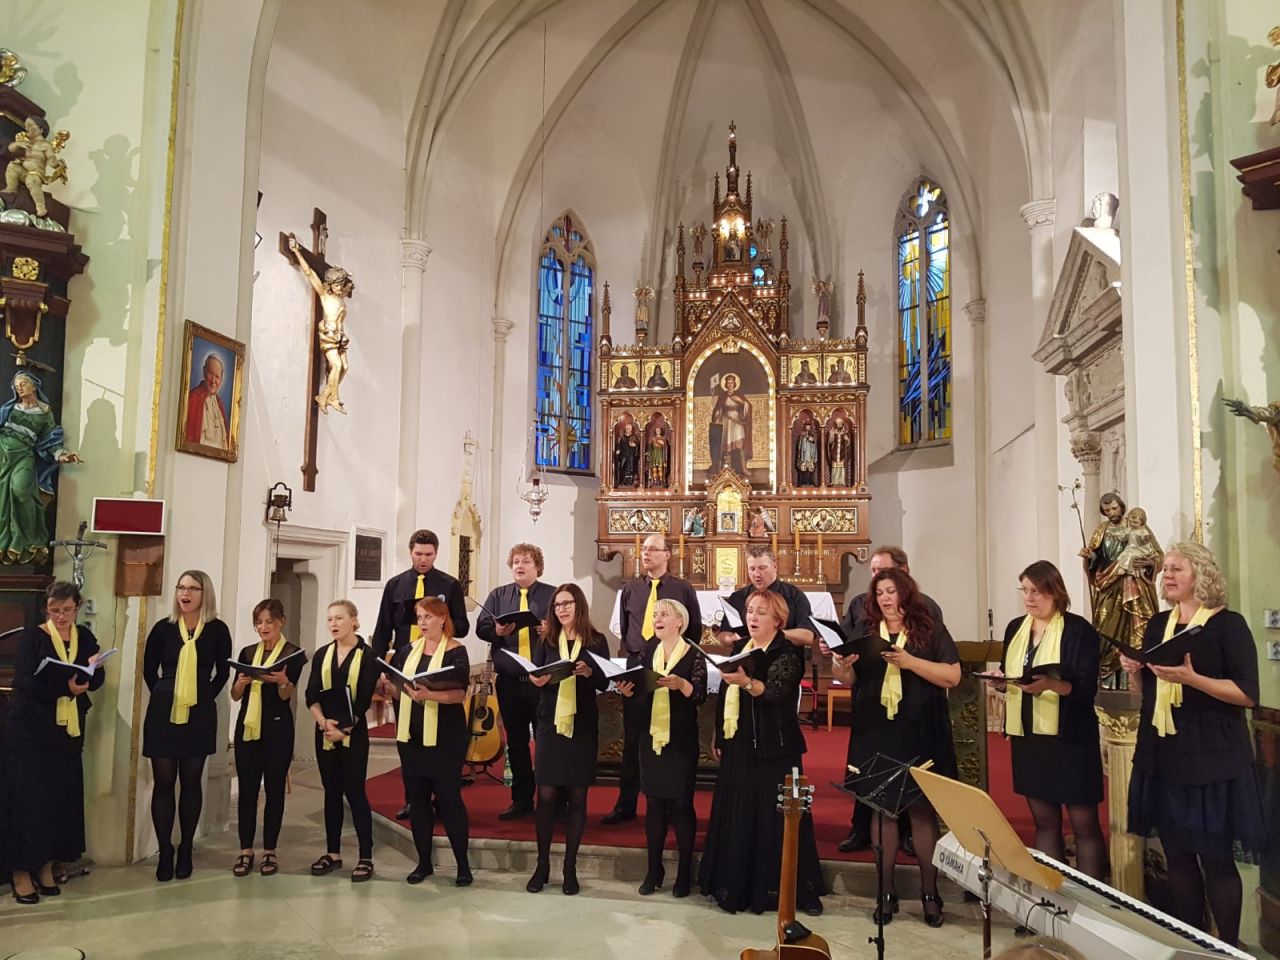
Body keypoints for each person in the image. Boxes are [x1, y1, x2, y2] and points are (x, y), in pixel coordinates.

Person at [1121, 542, 1264, 949]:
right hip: (1165, 755)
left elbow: (1247, 694)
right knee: (1178, 856)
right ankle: (1192, 945)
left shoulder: (1228, 625)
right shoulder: (1157, 625)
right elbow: (1147, 694)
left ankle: (1228, 948)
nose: (1166, 575)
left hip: (1213, 758)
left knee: (1216, 859)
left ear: (1201, 574)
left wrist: (1193, 679)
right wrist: (1135, 671)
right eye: (1165, 568)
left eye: (1176, 568)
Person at [832, 567, 959, 928]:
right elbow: (847, 678)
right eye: (879, 593)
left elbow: (952, 675)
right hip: (876, 728)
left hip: (919, 728)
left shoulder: (928, 628)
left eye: (891, 591)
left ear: (905, 593)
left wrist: (910, 662)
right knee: (883, 809)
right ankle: (885, 892)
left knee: (920, 810)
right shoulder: (866, 630)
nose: (885, 598)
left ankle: (930, 892)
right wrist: (841, 665)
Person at [698, 589, 825, 916]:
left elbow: (775, 693)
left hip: (775, 747)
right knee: (740, 813)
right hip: (738, 742)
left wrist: (746, 683)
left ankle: (787, 889)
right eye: (750, 611)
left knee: (779, 817)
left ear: (778, 620)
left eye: (761, 613)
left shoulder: (788, 652)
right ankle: (736, 885)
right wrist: (718, 733)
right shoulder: (740, 647)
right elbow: (725, 694)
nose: (752, 617)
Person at [992, 561, 1105, 879]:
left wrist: (1053, 685)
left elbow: (1086, 688)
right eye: (1025, 590)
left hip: (1070, 737)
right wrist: (1002, 682)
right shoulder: (1016, 628)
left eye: (1037, 591)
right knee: (1044, 822)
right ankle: (1051, 896)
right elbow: (1014, 675)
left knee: (1084, 823)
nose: (1029, 598)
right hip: (1029, 738)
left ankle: (1091, 899)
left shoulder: (1078, 630)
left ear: (1055, 592)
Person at [834, 544, 944, 852]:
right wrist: (837, 653)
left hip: (913, 707)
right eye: (873, 573)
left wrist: (910, 662)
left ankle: (909, 834)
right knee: (871, 778)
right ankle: (861, 829)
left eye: (883, 573)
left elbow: (942, 661)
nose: (879, 585)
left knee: (910, 783)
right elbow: (846, 643)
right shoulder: (861, 606)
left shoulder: (926, 608)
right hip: (872, 704)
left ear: (903, 572)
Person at [0, 582, 105, 903]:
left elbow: (96, 680)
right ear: (46, 609)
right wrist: (64, 689)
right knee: (28, 803)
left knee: (58, 802)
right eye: (55, 610)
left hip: (67, 732)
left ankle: (45, 867)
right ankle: (20, 873)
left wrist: (92, 672)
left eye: (67, 610)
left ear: (77, 607)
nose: (61, 616)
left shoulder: (84, 637)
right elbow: (23, 682)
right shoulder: (34, 638)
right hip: (30, 730)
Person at [142, 570, 233, 881]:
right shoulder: (163, 628)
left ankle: (185, 849)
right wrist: (164, 691)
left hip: (199, 711)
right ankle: (165, 850)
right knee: (164, 782)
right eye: (181, 587)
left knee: (191, 782)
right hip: (163, 711)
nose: (185, 593)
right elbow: (148, 669)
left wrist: (203, 693)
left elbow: (223, 671)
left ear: (205, 594)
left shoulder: (217, 629)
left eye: (193, 588)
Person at [604, 532, 700, 825]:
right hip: (638, 665)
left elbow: (694, 630)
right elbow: (625, 629)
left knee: (667, 735)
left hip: (672, 664)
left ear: (667, 554)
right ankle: (626, 803)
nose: (645, 553)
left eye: (652, 549)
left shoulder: (682, 588)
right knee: (633, 737)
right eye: (643, 549)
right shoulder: (631, 589)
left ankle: (668, 803)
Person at [372, 528, 468, 819]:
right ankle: (414, 798)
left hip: (438, 663)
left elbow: (462, 627)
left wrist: (438, 617)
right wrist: (379, 670)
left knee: (438, 733)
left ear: (436, 553)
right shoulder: (396, 584)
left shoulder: (449, 584)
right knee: (409, 733)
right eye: (418, 554)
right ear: (410, 553)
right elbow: (382, 629)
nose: (423, 559)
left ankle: (441, 796)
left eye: (428, 554)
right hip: (406, 662)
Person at [615, 599, 707, 897]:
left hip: (680, 739)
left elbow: (700, 694)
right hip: (651, 737)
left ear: (680, 621)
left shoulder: (693, 653)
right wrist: (628, 691)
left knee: (680, 804)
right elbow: (640, 692)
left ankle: (684, 872)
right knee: (653, 804)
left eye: (664, 614)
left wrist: (682, 685)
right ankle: (654, 869)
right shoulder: (648, 650)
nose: (657, 618)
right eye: (655, 614)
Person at [525, 583, 609, 895]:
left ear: (579, 606)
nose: (561, 609)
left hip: (581, 724)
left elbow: (605, 682)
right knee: (546, 795)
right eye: (557, 605)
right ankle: (542, 864)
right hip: (550, 722)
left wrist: (590, 673)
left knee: (577, 796)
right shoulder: (547, 639)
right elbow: (537, 675)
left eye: (567, 603)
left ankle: (569, 867)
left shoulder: (596, 641)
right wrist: (537, 679)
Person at [391, 597, 473, 886]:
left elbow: (460, 694)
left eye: (428, 617)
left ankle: (463, 866)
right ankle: (424, 863)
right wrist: (392, 684)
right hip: (411, 736)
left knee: (449, 800)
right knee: (417, 800)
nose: (422, 622)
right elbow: (397, 684)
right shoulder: (407, 650)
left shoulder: (456, 652)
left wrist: (429, 695)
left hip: (445, 737)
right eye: (419, 617)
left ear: (442, 618)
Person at [476, 543, 556, 820]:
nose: (519, 566)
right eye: (516, 562)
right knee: (517, 743)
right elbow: (481, 627)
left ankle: (552, 800)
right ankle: (521, 799)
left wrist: (551, 629)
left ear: (538, 567)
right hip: (510, 683)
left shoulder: (552, 595)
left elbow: (569, 626)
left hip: (542, 681)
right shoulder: (498, 595)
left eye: (526, 561)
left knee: (546, 742)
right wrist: (496, 631)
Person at [229, 599, 305, 878]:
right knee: (247, 789)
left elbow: (286, 695)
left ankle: (270, 850)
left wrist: (282, 681)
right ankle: (245, 849)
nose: (263, 627)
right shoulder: (248, 653)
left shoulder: (293, 654)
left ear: (280, 621)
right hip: (248, 728)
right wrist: (240, 683)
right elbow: (235, 695)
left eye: (269, 621)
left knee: (274, 790)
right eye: (259, 622)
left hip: (277, 727)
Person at [305, 600, 380, 883]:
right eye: (330, 619)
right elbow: (311, 694)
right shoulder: (322, 654)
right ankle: (333, 853)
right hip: (325, 732)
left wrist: (344, 731)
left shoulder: (368, 655)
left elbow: (363, 701)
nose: (333, 624)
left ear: (353, 620)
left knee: (355, 792)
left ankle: (365, 856)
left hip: (353, 734)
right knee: (331, 792)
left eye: (339, 618)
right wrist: (323, 722)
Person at [0, 371, 82, 564]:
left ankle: (29, 542)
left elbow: (50, 440)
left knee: (21, 491)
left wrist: (62, 455)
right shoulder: (9, 408)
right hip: (2, 454)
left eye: (23, 383)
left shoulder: (45, 413)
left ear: (34, 385)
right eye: (16, 386)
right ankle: (5, 544)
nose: (19, 387)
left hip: (24, 456)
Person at [1080, 492, 1158, 674]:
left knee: (1137, 626)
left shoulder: (1135, 524)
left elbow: (1156, 554)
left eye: (1114, 508)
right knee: (1105, 627)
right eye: (1107, 510)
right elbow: (1097, 557)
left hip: (1135, 583)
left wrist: (1149, 563)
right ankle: (1107, 673)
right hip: (1109, 584)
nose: (1111, 513)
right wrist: (1090, 557)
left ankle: (1135, 673)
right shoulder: (1101, 530)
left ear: (1121, 507)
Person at [717, 545, 815, 651]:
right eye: (752, 569)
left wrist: (772, 634)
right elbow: (723, 635)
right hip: (745, 657)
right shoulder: (738, 597)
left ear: (774, 567)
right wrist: (730, 639)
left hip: (784, 657)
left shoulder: (793, 595)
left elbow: (808, 636)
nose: (756, 574)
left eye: (762, 568)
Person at [183, 353, 229, 448]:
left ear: (221, 379)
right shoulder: (193, 398)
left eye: (217, 377)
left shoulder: (219, 404)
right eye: (210, 374)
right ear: (204, 372)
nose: (213, 381)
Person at [710, 373, 752, 476]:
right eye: (728, 383)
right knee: (727, 448)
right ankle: (726, 469)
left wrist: (741, 402)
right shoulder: (722, 396)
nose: (730, 385)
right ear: (726, 384)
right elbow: (718, 409)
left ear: (734, 384)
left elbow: (747, 406)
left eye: (731, 383)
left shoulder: (739, 395)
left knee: (740, 446)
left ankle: (743, 468)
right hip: (726, 421)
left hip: (737, 421)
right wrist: (717, 412)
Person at [613, 420, 641, 487]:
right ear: (625, 429)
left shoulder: (634, 437)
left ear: (631, 429)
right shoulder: (621, 437)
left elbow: (638, 445)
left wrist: (635, 445)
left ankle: (630, 482)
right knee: (622, 468)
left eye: (629, 428)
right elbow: (618, 445)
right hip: (623, 456)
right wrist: (618, 450)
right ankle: (622, 481)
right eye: (627, 428)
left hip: (631, 456)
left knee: (631, 468)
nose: (628, 429)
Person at [793, 419, 819, 486]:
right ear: (804, 428)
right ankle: (803, 482)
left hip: (810, 454)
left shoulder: (812, 435)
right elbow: (800, 446)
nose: (807, 428)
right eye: (806, 427)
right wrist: (805, 439)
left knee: (810, 468)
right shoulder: (802, 436)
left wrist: (811, 440)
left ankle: (810, 482)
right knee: (803, 468)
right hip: (804, 454)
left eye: (809, 427)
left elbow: (814, 444)